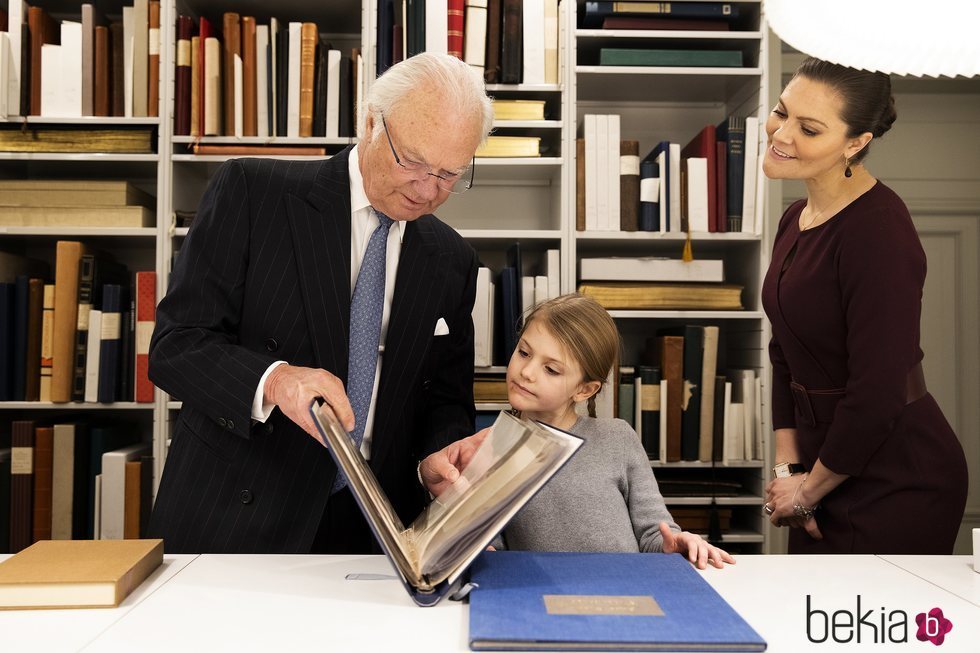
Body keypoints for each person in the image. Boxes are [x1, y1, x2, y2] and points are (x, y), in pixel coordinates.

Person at [147, 53, 495, 554]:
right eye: (414, 162)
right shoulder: (252, 192)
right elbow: (175, 347)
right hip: (236, 515)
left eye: (449, 174)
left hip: (374, 528)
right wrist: (276, 380)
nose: (427, 190)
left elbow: (444, 398)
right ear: (372, 122)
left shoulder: (452, 258)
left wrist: (437, 460)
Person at [760, 57, 968, 554]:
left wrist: (807, 493)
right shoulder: (797, 217)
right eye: (780, 112)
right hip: (816, 469)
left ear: (856, 143)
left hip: (895, 476)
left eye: (808, 128)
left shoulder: (878, 230)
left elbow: (878, 390)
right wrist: (788, 471)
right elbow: (783, 352)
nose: (781, 134)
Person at [496, 294, 734, 569]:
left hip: (624, 590)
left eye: (551, 369)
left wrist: (677, 543)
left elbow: (655, 534)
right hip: (539, 595)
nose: (526, 372)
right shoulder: (491, 446)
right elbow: (495, 544)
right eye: (524, 352)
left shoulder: (617, 438)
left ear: (585, 389)